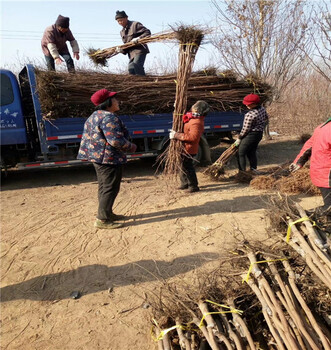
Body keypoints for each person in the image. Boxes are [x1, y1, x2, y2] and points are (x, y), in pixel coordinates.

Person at [77, 89, 137, 229]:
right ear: (107, 103)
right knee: (110, 187)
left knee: (104, 187)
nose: (117, 101)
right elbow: (115, 141)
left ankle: (107, 213)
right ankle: (102, 219)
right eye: (114, 99)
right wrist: (131, 146)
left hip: (97, 157)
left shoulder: (94, 116)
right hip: (108, 158)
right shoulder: (109, 117)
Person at [289, 117, 331, 215]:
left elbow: (309, 146)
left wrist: (299, 162)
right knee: (329, 208)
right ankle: (305, 215)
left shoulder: (322, 127)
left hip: (320, 172)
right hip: (327, 175)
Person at [169, 101, 210, 193]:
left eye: (194, 107)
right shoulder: (193, 117)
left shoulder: (197, 122)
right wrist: (177, 107)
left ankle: (193, 186)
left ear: (198, 110)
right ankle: (185, 183)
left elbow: (193, 137)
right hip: (184, 147)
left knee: (188, 167)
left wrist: (176, 135)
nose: (192, 108)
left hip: (189, 148)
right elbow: (186, 114)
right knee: (182, 166)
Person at [234, 94, 269, 173]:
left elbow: (245, 129)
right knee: (251, 152)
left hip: (251, 135)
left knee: (240, 153)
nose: (246, 105)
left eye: (248, 104)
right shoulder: (262, 109)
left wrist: (239, 138)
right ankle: (253, 169)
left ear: (254, 103)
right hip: (259, 134)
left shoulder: (249, 115)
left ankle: (242, 173)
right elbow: (266, 118)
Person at [115, 10, 151, 76]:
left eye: (121, 20)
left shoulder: (135, 24)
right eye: (118, 21)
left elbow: (147, 32)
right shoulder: (122, 32)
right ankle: (136, 83)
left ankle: (142, 82)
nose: (120, 22)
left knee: (137, 64)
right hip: (131, 54)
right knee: (131, 69)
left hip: (140, 50)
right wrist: (121, 50)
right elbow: (127, 46)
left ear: (126, 18)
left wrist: (139, 38)